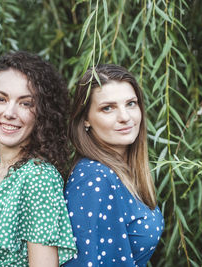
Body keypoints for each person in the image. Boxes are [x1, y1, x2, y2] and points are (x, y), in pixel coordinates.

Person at [0, 51, 77, 266]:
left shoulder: (39, 178)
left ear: (43, 113)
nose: (9, 112)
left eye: (25, 103)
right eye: (1, 99)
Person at [63, 64, 164, 267]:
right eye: (107, 108)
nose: (125, 117)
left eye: (131, 104)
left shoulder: (120, 172)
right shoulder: (94, 178)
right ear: (85, 120)